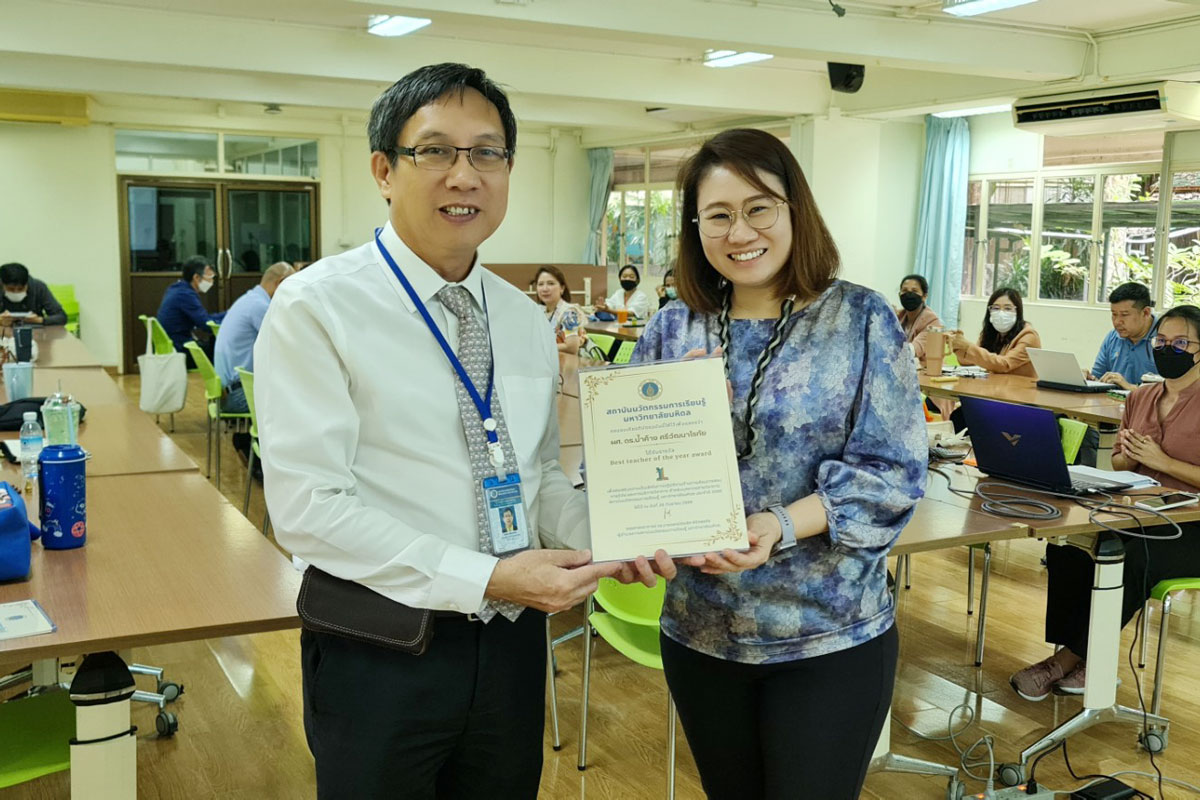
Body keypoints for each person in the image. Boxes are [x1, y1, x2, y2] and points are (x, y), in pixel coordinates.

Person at [253, 63, 670, 800]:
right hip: (382, 644)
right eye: (436, 151)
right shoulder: (318, 307)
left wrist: (614, 538)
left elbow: (538, 478)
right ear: (384, 171)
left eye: (487, 153)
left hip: (513, 640)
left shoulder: (523, 319)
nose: (465, 175)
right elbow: (309, 510)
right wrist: (486, 577)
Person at [630, 128, 925, 798]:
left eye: (758, 207)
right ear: (695, 227)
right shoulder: (675, 327)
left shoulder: (860, 319)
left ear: (795, 209)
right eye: (717, 215)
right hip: (701, 630)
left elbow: (894, 472)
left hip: (829, 633)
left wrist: (779, 524)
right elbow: (632, 463)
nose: (740, 232)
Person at [1010, 304, 1200, 700]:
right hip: (1138, 510)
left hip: (1191, 524)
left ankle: (1065, 661)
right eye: (1162, 341)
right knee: (1070, 545)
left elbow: (1162, 464)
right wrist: (1129, 457)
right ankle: (1083, 657)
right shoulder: (1141, 397)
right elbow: (1118, 462)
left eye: (1181, 343)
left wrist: (1163, 462)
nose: (1168, 349)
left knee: (1131, 558)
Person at [214, 262, 294, 414]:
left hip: (229, 392)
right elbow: (286, 344)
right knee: (298, 401)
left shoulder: (249, 300)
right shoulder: (259, 307)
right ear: (281, 283)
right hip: (239, 395)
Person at [950, 287, 1041, 377]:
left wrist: (968, 347)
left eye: (1008, 308)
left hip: (1019, 386)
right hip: (994, 384)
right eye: (996, 308)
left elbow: (1004, 365)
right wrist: (958, 347)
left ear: (1018, 312)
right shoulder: (991, 333)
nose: (1001, 313)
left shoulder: (1029, 336)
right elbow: (971, 361)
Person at [1088, 282, 1158, 390]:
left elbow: (1172, 391)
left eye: (1124, 315)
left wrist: (1130, 387)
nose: (1117, 322)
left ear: (1146, 312)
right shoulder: (1112, 337)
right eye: (1114, 314)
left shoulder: (1166, 340)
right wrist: (1088, 379)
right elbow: (1098, 378)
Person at [156, 256, 225, 363]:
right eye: (210, 277)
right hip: (180, 349)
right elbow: (206, 325)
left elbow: (205, 318)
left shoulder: (177, 288)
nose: (212, 281)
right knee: (220, 346)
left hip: (175, 344)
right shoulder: (185, 295)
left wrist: (229, 314)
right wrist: (229, 320)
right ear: (196, 277)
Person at [532, 265, 584, 355]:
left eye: (551, 283)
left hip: (569, 362)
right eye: (540, 284)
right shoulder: (539, 311)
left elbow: (572, 347)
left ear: (562, 288)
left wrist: (539, 348)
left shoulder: (569, 313)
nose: (545, 289)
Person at [0, 263, 67, 326]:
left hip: (35, 330)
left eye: (21, 289)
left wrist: (39, 320)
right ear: (1, 283)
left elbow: (61, 317)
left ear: (27, 283)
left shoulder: (38, 287)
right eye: (11, 289)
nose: (16, 292)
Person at [896, 273, 941, 359]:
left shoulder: (932, 321)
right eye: (904, 290)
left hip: (926, 366)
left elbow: (916, 348)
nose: (909, 294)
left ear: (924, 296)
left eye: (914, 291)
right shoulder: (898, 317)